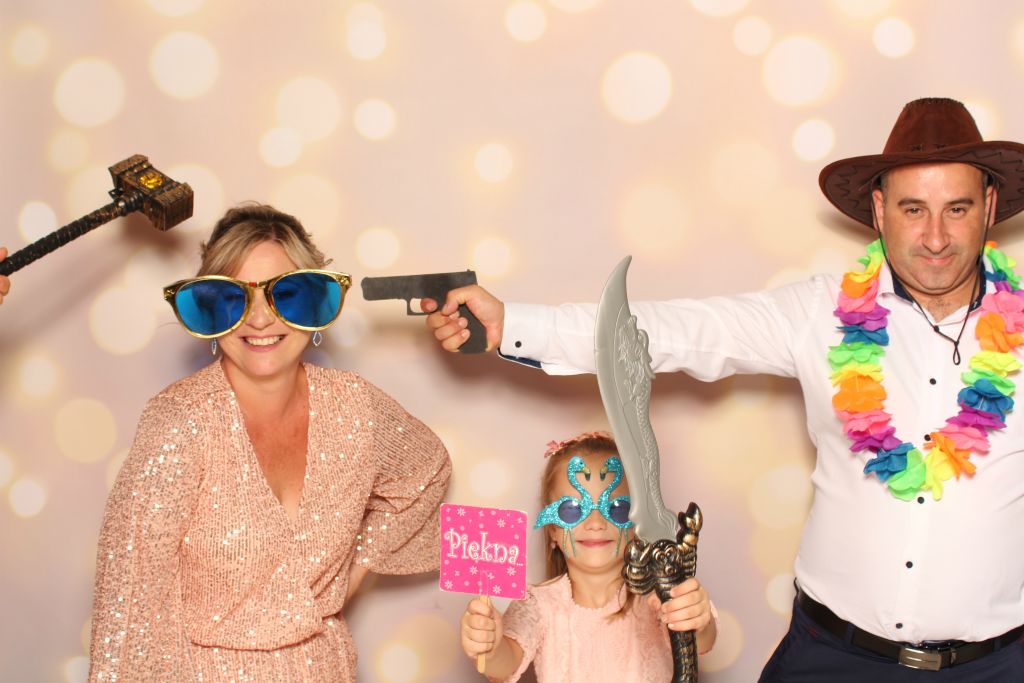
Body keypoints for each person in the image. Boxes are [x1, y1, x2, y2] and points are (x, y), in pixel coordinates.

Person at [427, 98, 1024, 679]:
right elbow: (678, 330)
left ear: (990, 205)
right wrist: (512, 325)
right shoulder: (821, 313)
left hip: (997, 665)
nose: (936, 237)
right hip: (833, 657)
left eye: (957, 208)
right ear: (879, 208)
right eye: (914, 209)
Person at [88, 204, 451, 682]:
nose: (260, 320)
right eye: (234, 298)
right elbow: (130, 609)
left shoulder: (354, 406)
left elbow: (426, 470)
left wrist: (354, 568)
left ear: (315, 302)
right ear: (210, 310)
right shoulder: (179, 422)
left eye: (286, 295)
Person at [460, 431, 716, 681]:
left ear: (636, 525)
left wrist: (695, 618)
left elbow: (702, 641)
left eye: (616, 508)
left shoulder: (658, 595)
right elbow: (505, 664)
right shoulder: (537, 606)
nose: (595, 523)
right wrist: (490, 647)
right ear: (552, 530)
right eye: (572, 510)